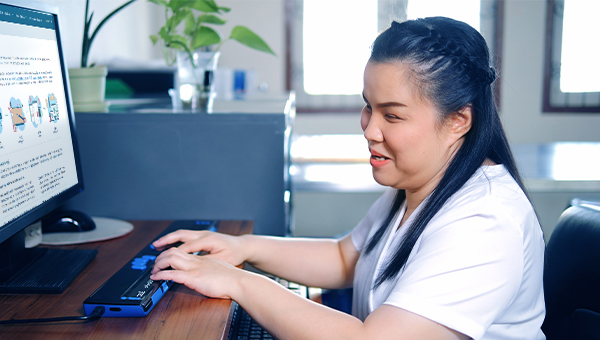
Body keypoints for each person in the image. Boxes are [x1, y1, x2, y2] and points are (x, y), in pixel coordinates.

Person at [151, 17, 546, 340]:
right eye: (368, 107)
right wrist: (240, 247)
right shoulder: (420, 185)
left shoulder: (486, 221)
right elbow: (345, 258)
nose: (370, 129)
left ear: (458, 121)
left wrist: (240, 284)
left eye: (392, 115)